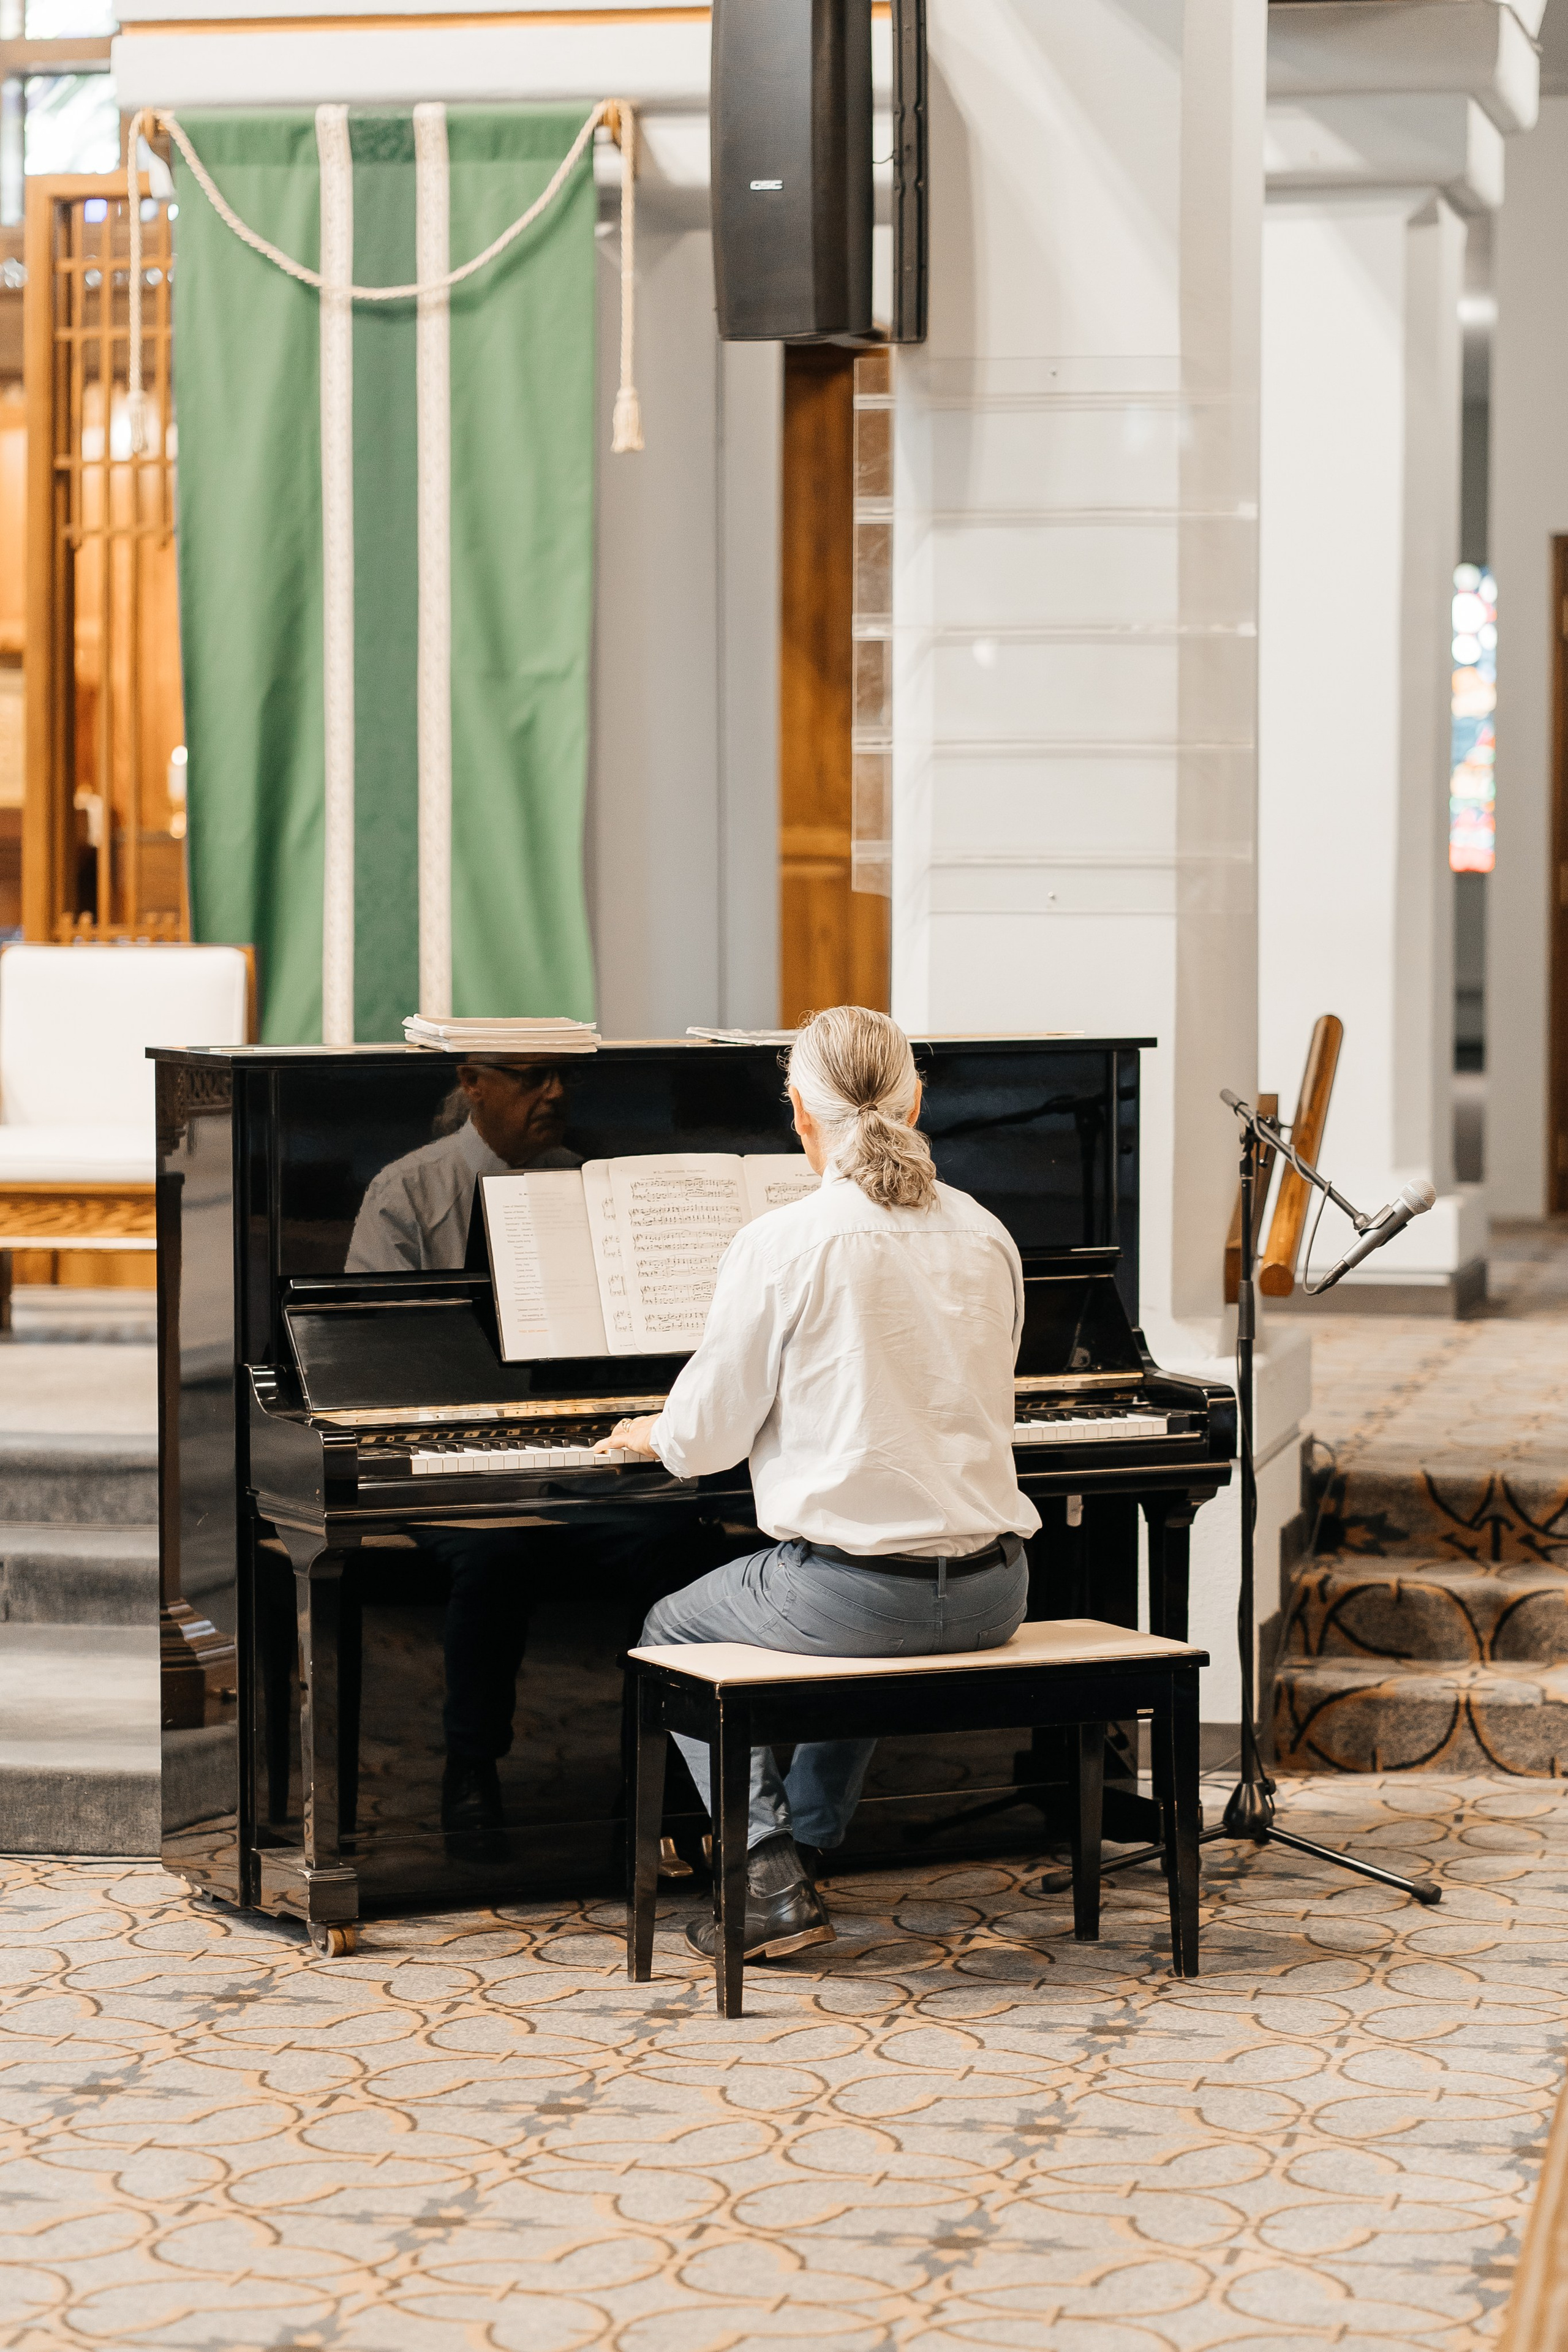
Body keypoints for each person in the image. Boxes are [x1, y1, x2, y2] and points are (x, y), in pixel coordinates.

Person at [594, 1005, 1041, 1965]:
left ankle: (762, 1872)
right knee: (861, 1595)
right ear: (918, 1099)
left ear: (797, 1112)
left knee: (674, 1626)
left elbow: (707, 1435)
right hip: (995, 1591)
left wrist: (656, 1433)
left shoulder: (787, 1242)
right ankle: (810, 1844)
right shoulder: (989, 1234)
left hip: (862, 1603)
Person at [346, 1057, 576, 1274]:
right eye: (534, 1077)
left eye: (565, 1075)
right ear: (473, 1081)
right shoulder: (403, 1191)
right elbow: (382, 1312)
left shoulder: (587, 1175)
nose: (557, 1092)